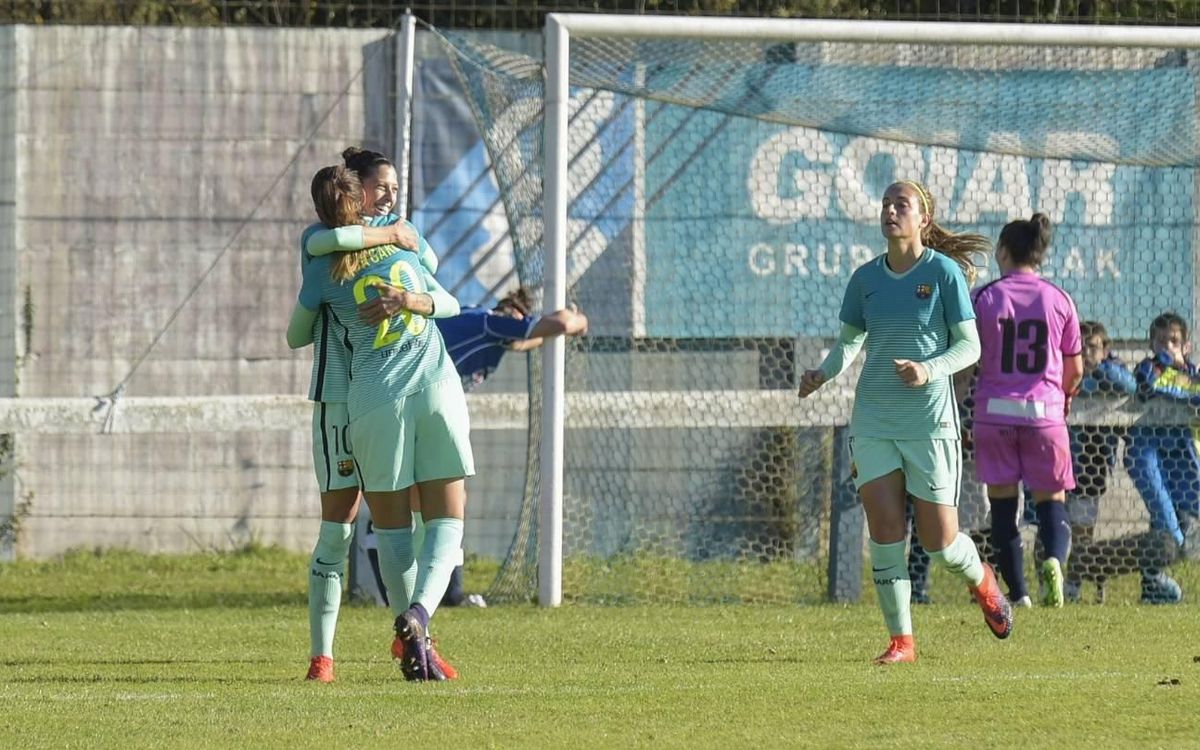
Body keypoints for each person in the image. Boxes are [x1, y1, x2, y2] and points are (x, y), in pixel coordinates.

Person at [798, 179, 1011, 665]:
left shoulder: (943, 274)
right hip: (873, 421)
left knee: (940, 545)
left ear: (923, 219)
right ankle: (902, 643)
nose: (890, 211)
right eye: (886, 204)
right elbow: (851, 342)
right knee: (885, 535)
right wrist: (823, 374)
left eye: (902, 205)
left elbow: (970, 347)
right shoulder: (865, 279)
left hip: (929, 424)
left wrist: (928, 368)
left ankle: (982, 579)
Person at [289, 164, 473, 682]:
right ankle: (329, 654)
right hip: (337, 403)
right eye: (380, 189)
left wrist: (406, 241)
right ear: (357, 196)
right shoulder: (321, 246)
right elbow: (441, 287)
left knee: (388, 528)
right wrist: (399, 240)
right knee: (341, 531)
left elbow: (294, 333)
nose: (390, 197)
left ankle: (415, 642)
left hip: (370, 400)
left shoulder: (361, 253)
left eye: (395, 189)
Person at [360, 286, 590, 606]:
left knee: (435, 499)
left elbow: (523, 342)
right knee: (420, 500)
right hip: (411, 403)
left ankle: (435, 593)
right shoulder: (491, 322)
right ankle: (420, 593)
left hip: (405, 401)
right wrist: (580, 321)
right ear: (515, 313)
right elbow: (560, 324)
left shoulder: (480, 322)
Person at [969, 213, 1084, 609]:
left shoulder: (984, 297)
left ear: (1002, 251)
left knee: (1003, 509)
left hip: (995, 415)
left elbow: (968, 359)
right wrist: (1063, 399)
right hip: (1044, 417)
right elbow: (1076, 368)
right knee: (1052, 502)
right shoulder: (1059, 300)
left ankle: (1019, 595)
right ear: (1039, 254)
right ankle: (1053, 559)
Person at [1122, 311, 1200, 603]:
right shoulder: (1149, 367)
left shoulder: (1192, 374)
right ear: (1152, 344)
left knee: (1182, 515)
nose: (1169, 346)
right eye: (1162, 340)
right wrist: (1171, 368)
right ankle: (1155, 581)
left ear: (1186, 345)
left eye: (1175, 341)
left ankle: (1153, 587)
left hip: (1180, 455)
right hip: (1147, 450)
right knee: (1167, 522)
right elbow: (1148, 385)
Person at [1060, 320, 1137, 602]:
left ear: (1106, 349)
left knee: (1082, 532)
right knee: (1049, 528)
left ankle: (1076, 585)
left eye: (1092, 347)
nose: (1085, 354)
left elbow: (1129, 385)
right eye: (1080, 348)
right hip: (1058, 460)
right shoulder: (1064, 370)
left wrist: (1096, 369)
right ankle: (1049, 586)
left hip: (1089, 467)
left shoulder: (1110, 372)